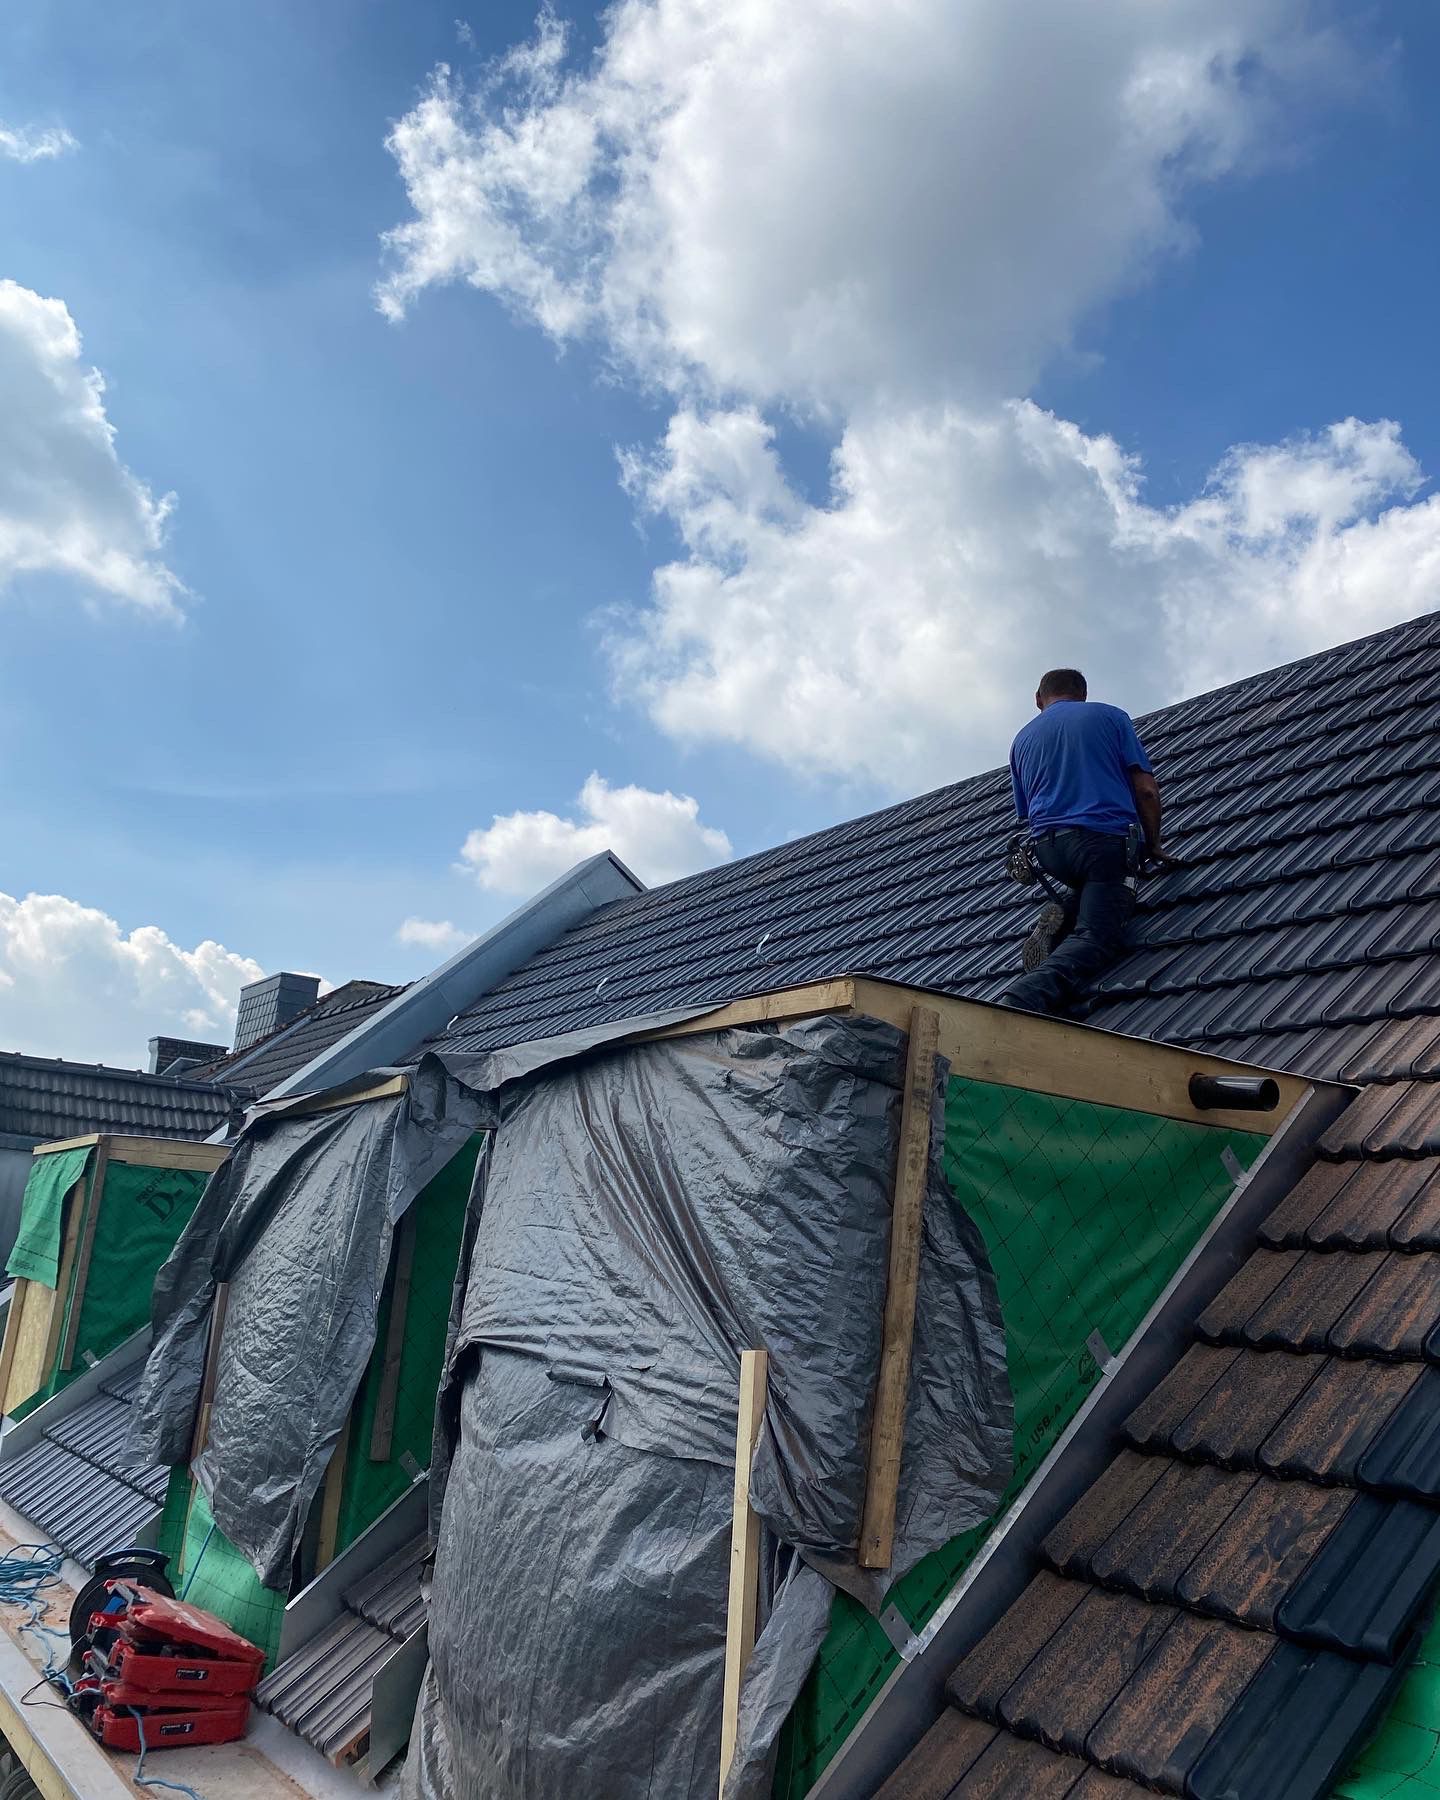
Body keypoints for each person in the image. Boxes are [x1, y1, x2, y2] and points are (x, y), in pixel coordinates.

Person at [1003, 668, 1168, 1016]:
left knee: (1091, 887)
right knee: (1099, 935)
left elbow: (1026, 810)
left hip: (1049, 850)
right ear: (1083, 694)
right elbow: (1146, 789)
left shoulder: (1021, 740)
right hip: (1102, 841)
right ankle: (1024, 997)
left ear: (1038, 699)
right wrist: (1152, 844)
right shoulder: (1110, 717)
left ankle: (1064, 916)